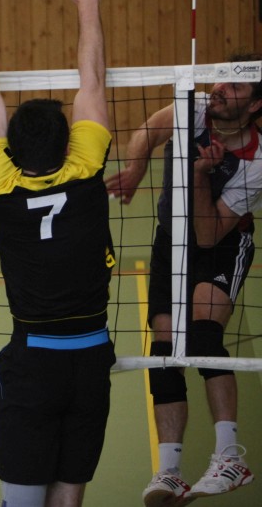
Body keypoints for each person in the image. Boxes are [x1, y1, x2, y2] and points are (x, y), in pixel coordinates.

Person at [0, 0, 115, 507]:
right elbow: (93, 79)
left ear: (10, 150)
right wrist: (87, 4)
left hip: (34, 360)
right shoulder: (86, 168)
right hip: (91, 357)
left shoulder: (1, 184)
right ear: (69, 144)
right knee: (68, 496)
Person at [105, 54, 261, 505]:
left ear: (254, 105)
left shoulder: (256, 159)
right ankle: (169, 470)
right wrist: (136, 169)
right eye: (220, 79)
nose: (219, 89)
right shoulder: (194, 109)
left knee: (204, 333)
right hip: (169, 240)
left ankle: (229, 457)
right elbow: (147, 131)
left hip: (221, 245)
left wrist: (199, 175)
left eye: (234, 87)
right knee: (165, 349)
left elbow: (209, 234)